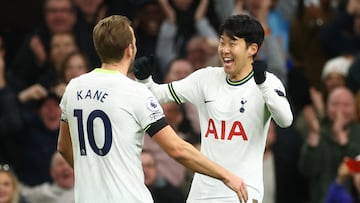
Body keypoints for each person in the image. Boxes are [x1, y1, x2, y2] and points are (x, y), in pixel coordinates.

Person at [57, 15, 248, 203]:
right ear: (130, 49)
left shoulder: (73, 88)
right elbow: (177, 149)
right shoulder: (135, 92)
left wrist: (94, 176)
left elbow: (64, 148)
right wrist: (225, 175)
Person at [134, 14, 293, 203]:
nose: (224, 50)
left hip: (242, 191)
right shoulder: (205, 79)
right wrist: (144, 79)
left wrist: (264, 85)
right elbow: (159, 94)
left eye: (232, 44)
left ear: (252, 49)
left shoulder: (267, 83)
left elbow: (285, 120)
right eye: (222, 43)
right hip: (202, 192)